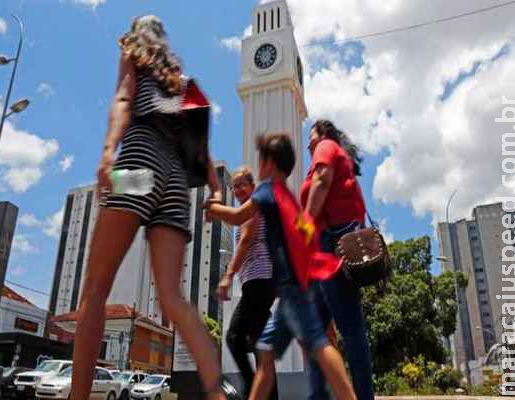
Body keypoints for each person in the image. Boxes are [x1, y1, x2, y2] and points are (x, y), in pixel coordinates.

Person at [71, 15, 230, 400]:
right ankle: (217, 391)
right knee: (172, 298)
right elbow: (201, 148)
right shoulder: (181, 82)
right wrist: (216, 190)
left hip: (138, 165)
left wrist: (109, 150)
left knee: (95, 287)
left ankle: (77, 396)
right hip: (174, 181)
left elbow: (124, 98)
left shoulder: (133, 56)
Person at [206, 133, 357, 400]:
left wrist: (214, 209)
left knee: (318, 345)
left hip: (293, 288)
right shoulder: (286, 195)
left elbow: (239, 216)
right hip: (292, 288)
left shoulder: (266, 189)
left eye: (262, 160)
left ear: (270, 164)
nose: (259, 166)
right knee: (265, 351)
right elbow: (303, 233)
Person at [301, 119, 374, 400]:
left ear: (323, 135)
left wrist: (303, 229)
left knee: (350, 329)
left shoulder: (326, 147)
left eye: (311, 136)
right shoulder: (332, 151)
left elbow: (321, 182)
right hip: (325, 251)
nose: (309, 143)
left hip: (332, 247)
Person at [217, 167, 279, 400]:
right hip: (258, 283)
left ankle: (255, 391)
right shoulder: (250, 209)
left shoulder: (252, 208)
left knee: (239, 339)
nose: (237, 190)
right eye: (234, 187)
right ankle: (258, 390)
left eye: (242, 185)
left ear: (252, 186)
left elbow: (244, 242)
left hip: (258, 281)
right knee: (247, 340)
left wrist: (228, 275)